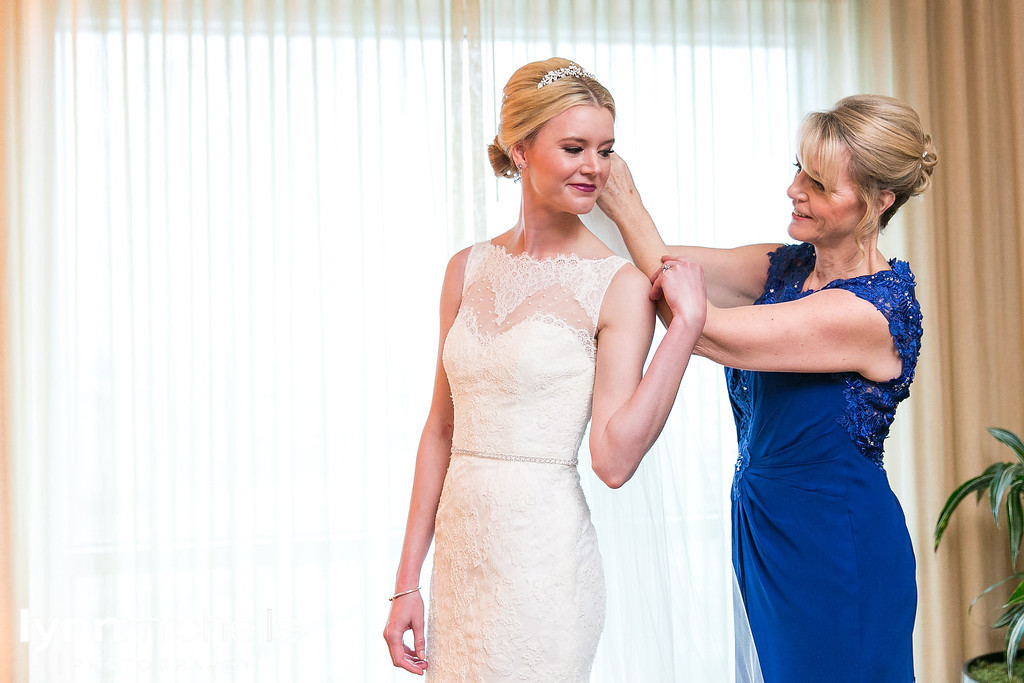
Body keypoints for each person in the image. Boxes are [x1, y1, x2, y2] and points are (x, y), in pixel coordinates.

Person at [381, 58, 708, 680]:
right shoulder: (465, 268)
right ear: (519, 149)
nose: (594, 167)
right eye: (574, 147)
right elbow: (440, 432)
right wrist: (405, 584)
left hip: (545, 567)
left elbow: (613, 462)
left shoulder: (618, 285)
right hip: (460, 560)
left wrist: (685, 330)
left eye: (605, 150)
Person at [597, 94, 937, 683]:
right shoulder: (781, 267)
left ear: (879, 202)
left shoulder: (869, 311)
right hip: (764, 525)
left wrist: (623, 197)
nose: (795, 190)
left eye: (821, 183)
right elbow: (667, 273)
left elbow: (702, 329)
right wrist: (602, 170)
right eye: (798, 168)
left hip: (836, 546)